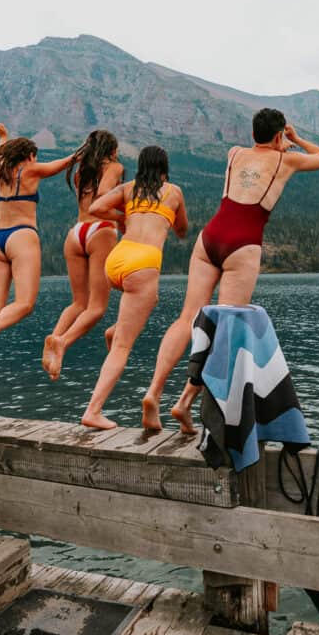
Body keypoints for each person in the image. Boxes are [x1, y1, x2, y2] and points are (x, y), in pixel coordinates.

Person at [141, 108, 319, 433]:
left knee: (187, 317)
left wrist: (275, 142)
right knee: (224, 329)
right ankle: (184, 402)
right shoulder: (288, 160)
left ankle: (153, 392)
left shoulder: (234, 153)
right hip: (243, 243)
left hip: (210, 237)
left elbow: (257, 152)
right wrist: (294, 140)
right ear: (278, 135)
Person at [80, 145, 188, 429]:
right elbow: (182, 230)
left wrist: (122, 218)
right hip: (144, 262)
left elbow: (95, 208)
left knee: (142, 305)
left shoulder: (129, 188)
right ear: (164, 170)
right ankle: (93, 411)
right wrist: (169, 222)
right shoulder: (174, 192)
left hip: (117, 260)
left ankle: (115, 329)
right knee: (122, 347)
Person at [0, 123, 74, 374]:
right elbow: (62, 165)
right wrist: (80, 153)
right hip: (22, 236)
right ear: (29, 156)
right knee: (24, 303)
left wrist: (3, 138)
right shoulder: (30, 170)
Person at [41, 130, 124, 380]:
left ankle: (55, 337)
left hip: (76, 232)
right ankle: (63, 343)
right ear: (112, 150)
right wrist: (123, 217)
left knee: (78, 303)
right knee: (97, 307)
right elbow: (102, 196)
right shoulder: (114, 167)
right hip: (101, 231)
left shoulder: (80, 171)